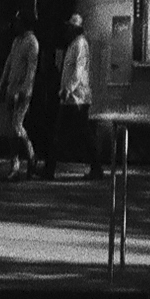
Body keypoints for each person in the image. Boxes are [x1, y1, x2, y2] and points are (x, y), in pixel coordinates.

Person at [46, 12, 99, 178]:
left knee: (64, 133)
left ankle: (49, 169)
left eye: (70, 27)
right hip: (73, 97)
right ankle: (96, 168)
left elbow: (78, 70)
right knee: (80, 133)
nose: (67, 30)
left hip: (76, 98)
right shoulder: (73, 44)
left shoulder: (79, 44)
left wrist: (67, 89)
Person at [0, 13, 39, 180]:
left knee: (16, 126)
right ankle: (15, 163)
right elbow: (9, 64)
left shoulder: (32, 42)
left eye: (19, 22)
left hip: (22, 91)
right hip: (11, 89)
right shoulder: (16, 41)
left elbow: (31, 69)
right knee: (11, 129)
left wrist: (25, 90)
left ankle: (30, 156)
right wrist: (1, 86)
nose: (16, 24)